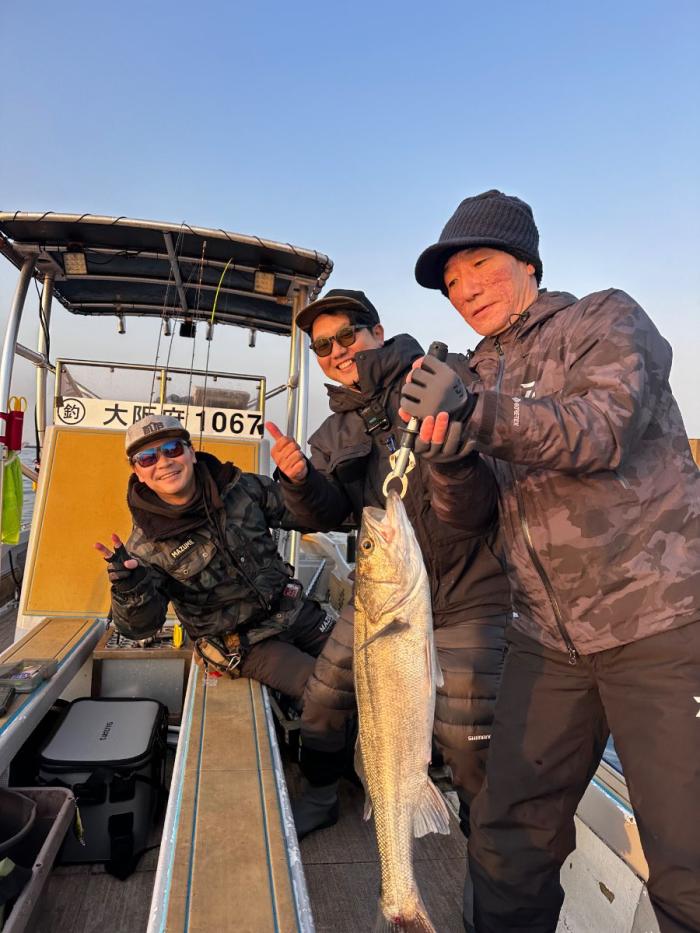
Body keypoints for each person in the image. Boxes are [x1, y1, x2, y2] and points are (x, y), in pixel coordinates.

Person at [398, 189, 700, 933]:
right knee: (506, 838)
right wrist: (448, 459)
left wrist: (472, 411)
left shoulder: (603, 319)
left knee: (689, 854)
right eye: (451, 281)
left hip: (658, 625)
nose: (465, 289)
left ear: (527, 263)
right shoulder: (473, 372)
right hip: (544, 639)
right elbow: (469, 520)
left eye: (480, 265)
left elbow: (601, 429)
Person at [266, 288, 511, 931]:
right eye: (322, 346)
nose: (335, 353)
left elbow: (486, 475)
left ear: (376, 331)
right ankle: (322, 795)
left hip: (468, 588)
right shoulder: (332, 431)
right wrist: (299, 482)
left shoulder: (438, 375)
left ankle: (487, 862)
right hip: (387, 593)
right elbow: (330, 512)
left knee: (468, 738)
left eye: (346, 336)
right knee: (323, 696)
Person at [95, 414, 355, 839]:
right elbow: (140, 627)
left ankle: (349, 759)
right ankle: (322, 797)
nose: (163, 462)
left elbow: (309, 517)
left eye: (172, 449)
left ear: (190, 451)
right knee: (324, 692)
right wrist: (129, 588)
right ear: (137, 471)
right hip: (245, 642)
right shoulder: (144, 546)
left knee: (369, 664)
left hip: (294, 609)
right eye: (147, 458)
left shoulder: (240, 487)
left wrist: (300, 480)